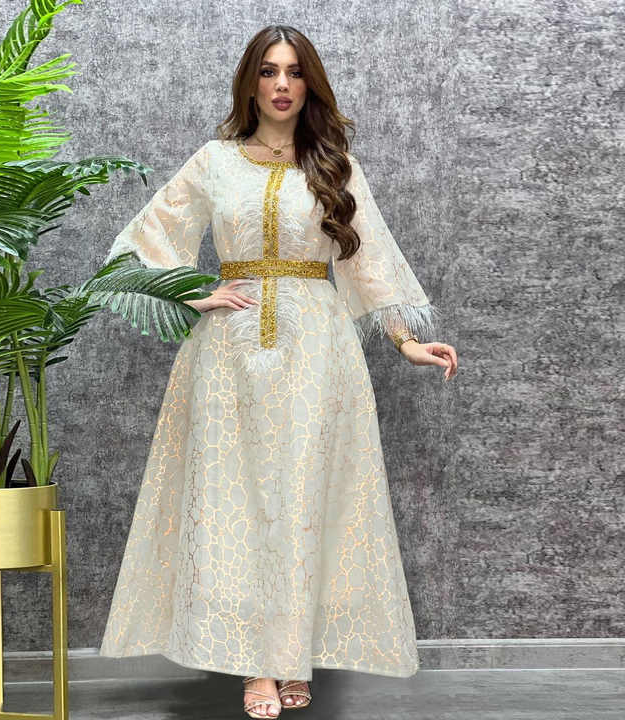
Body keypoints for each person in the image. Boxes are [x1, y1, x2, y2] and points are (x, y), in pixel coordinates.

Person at [99, 24, 458, 719]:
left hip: (316, 355)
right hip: (228, 355)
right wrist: (192, 292)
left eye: (295, 72)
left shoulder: (334, 166)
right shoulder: (215, 161)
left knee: (301, 503)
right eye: (269, 71)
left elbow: (368, 263)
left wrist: (405, 341)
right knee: (235, 503)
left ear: (309, 83)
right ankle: (257, 666)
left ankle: (291, 658)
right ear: (251, 82)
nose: (283, 84)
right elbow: (144, 243)